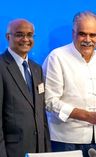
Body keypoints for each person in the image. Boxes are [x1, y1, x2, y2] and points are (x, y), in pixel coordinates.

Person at [42, 11, 96, 157]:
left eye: (93, 35)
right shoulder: (57, 58)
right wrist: (86, 116)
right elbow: (50, 101)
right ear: (73, 33)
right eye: (82, 34)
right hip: (65, 140)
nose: (88, 39)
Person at [0, 19, 51, 157]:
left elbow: (41, 114)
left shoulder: (37, 69)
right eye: (19, 34)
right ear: (8, 37)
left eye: (29, 35)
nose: (25, 39)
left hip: (39, 150)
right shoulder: (1, 66)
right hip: (13, 151)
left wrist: (47, 152)